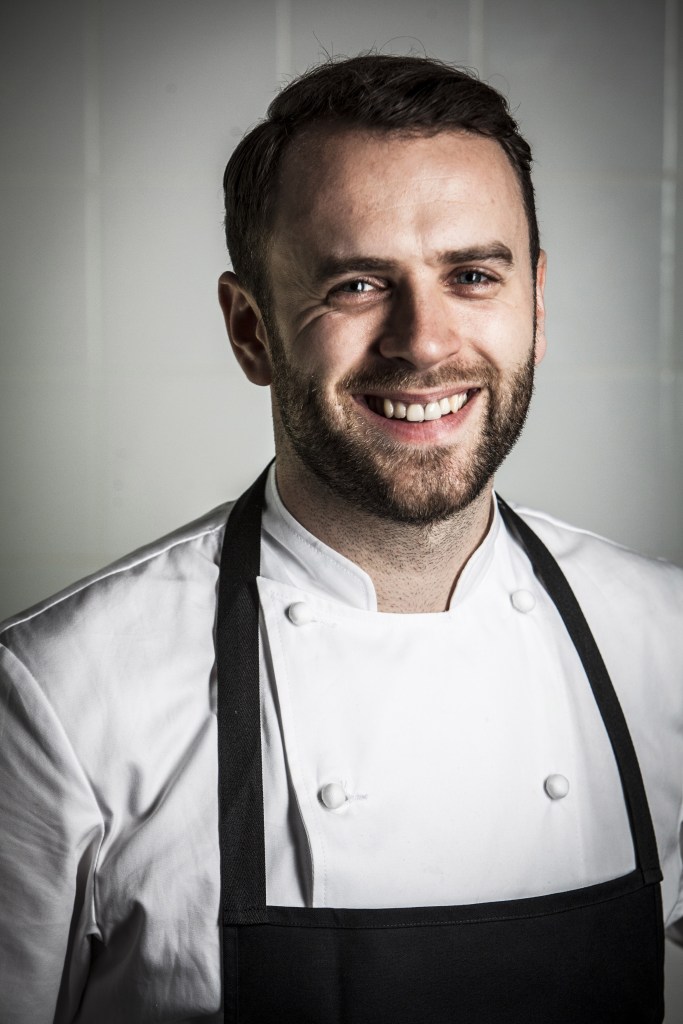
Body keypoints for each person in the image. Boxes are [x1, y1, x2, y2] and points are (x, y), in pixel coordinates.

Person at [1, 53, 681, 1024]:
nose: (425, 341)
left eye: (471, 275)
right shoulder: (60, 701)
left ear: (534, 300)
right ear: (250, 329)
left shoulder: (663, 639)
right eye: (358, 284)